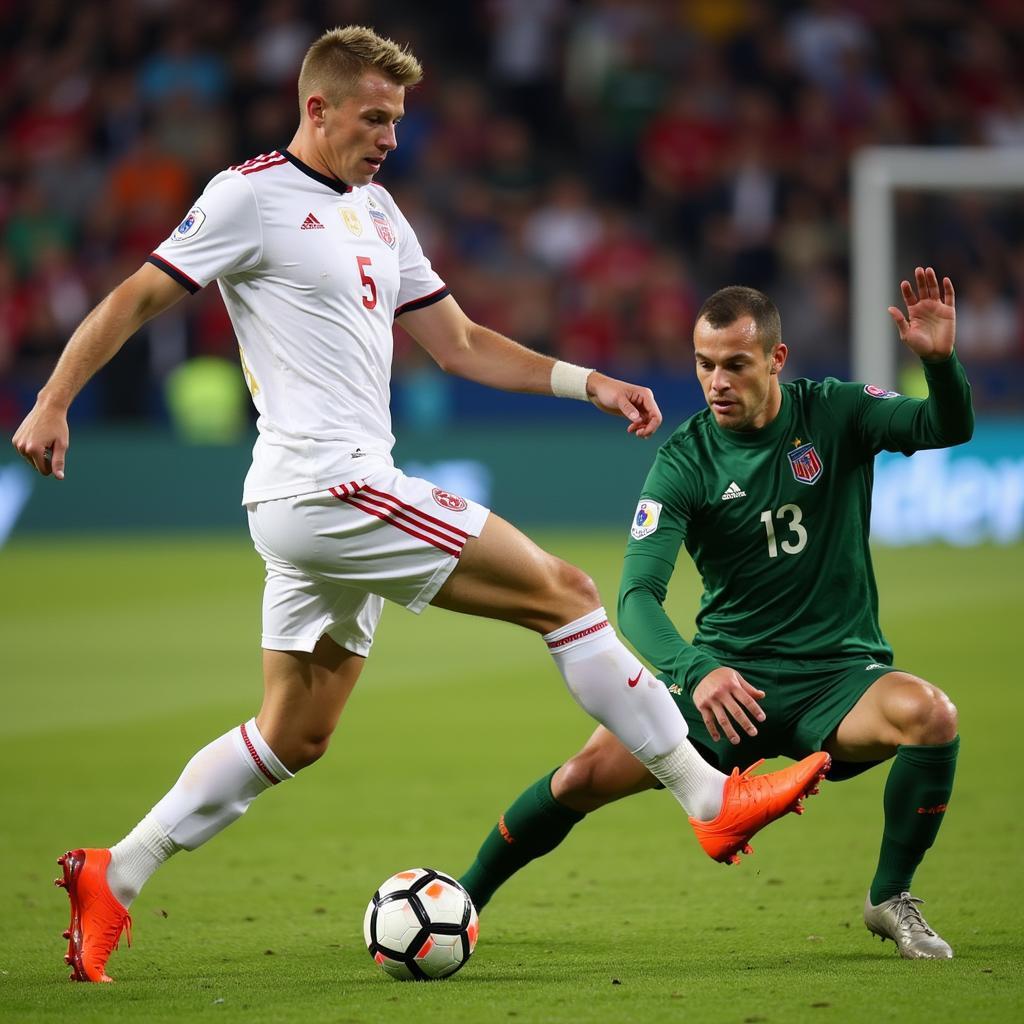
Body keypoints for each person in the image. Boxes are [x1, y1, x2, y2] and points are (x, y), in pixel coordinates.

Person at [11, 27, 827, 984]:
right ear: (315, 109)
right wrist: (53, 398)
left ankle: (115, 873)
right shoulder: (247, 197)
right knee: (565, 592)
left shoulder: (380, 211)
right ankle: (706, 795)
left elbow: (463, 342)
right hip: (326, 481)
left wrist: (587, 380)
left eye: (398, 119)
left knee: (296, 733)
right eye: (373, 117)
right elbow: (136, 298)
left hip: (317, 498)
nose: (391, 135)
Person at [459, 270, 973, 960]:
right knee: (580, 779)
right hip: (728, 684)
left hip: (839, 676)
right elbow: (636, 597)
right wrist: (696, 671)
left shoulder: (837, 412)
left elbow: (946, 425)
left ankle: (889, 898)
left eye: (735, 364)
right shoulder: (684, 462)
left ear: (776, 361)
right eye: (704, 365)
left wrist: (939, 365)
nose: (717, 382)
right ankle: (460, 901)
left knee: (931, 716)